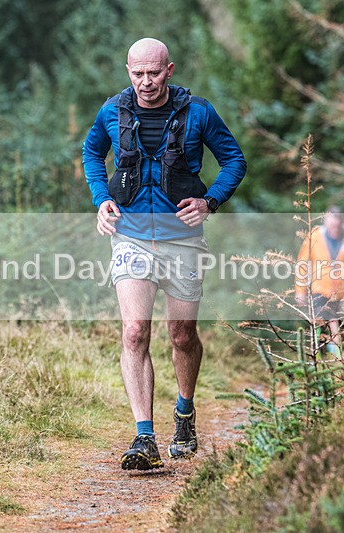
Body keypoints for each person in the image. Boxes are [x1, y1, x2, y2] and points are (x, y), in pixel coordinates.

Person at [82, 38, 246, 470]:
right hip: (131, 235)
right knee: (135, 332)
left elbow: (234, 161)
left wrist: (209, 202)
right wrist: (101, 198)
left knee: (181, 336)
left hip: (183, 239)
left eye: (154, 73)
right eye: (137, 73)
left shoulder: (199, 112)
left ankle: (185, 412)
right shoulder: (111, 112)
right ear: (128, 70)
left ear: (169, 70)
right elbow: (91, 154)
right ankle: (143, 437)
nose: (146, 82)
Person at [294, 207, 344, 356]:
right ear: (325, 222)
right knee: (321, 324)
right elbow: (302, 264)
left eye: (337, 226)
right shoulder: (315, 236)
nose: (334, 229)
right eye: (331, 225)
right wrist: (300, 291)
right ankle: (318, 359)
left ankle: (342, 361)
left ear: (342, 222)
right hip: (320, 288)